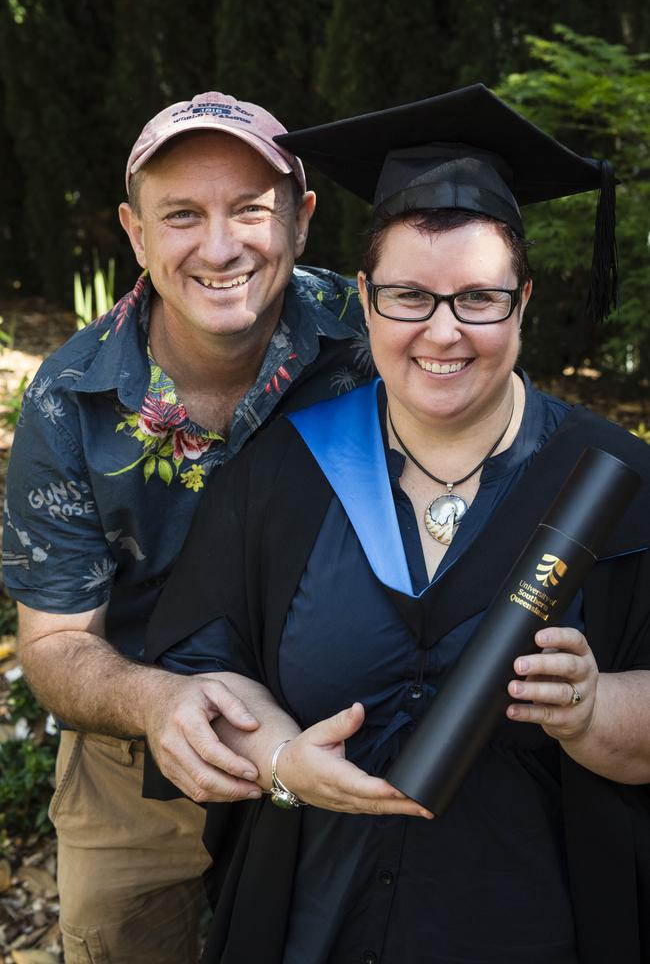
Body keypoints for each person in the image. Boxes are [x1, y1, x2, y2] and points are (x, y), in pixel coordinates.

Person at [146, 85, 650, 964]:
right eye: (409, 297)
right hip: (316, 925)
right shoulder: (286, 471)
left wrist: (593, 706)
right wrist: (279, 759)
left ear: (524, 299)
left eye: (479, 299)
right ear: (365, 298)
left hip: (542, 927)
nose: (443, 333)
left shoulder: (617, 482)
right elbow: (199, 676)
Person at [2, 91, 372, 964]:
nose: (219, 246)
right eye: (181, 215)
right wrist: (158, 702)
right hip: (138, 761)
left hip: (344, 735)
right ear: (135, 233)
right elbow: (54, 648)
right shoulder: (69, 401)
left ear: (302, 218)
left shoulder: (369, 334)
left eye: (249, 210)